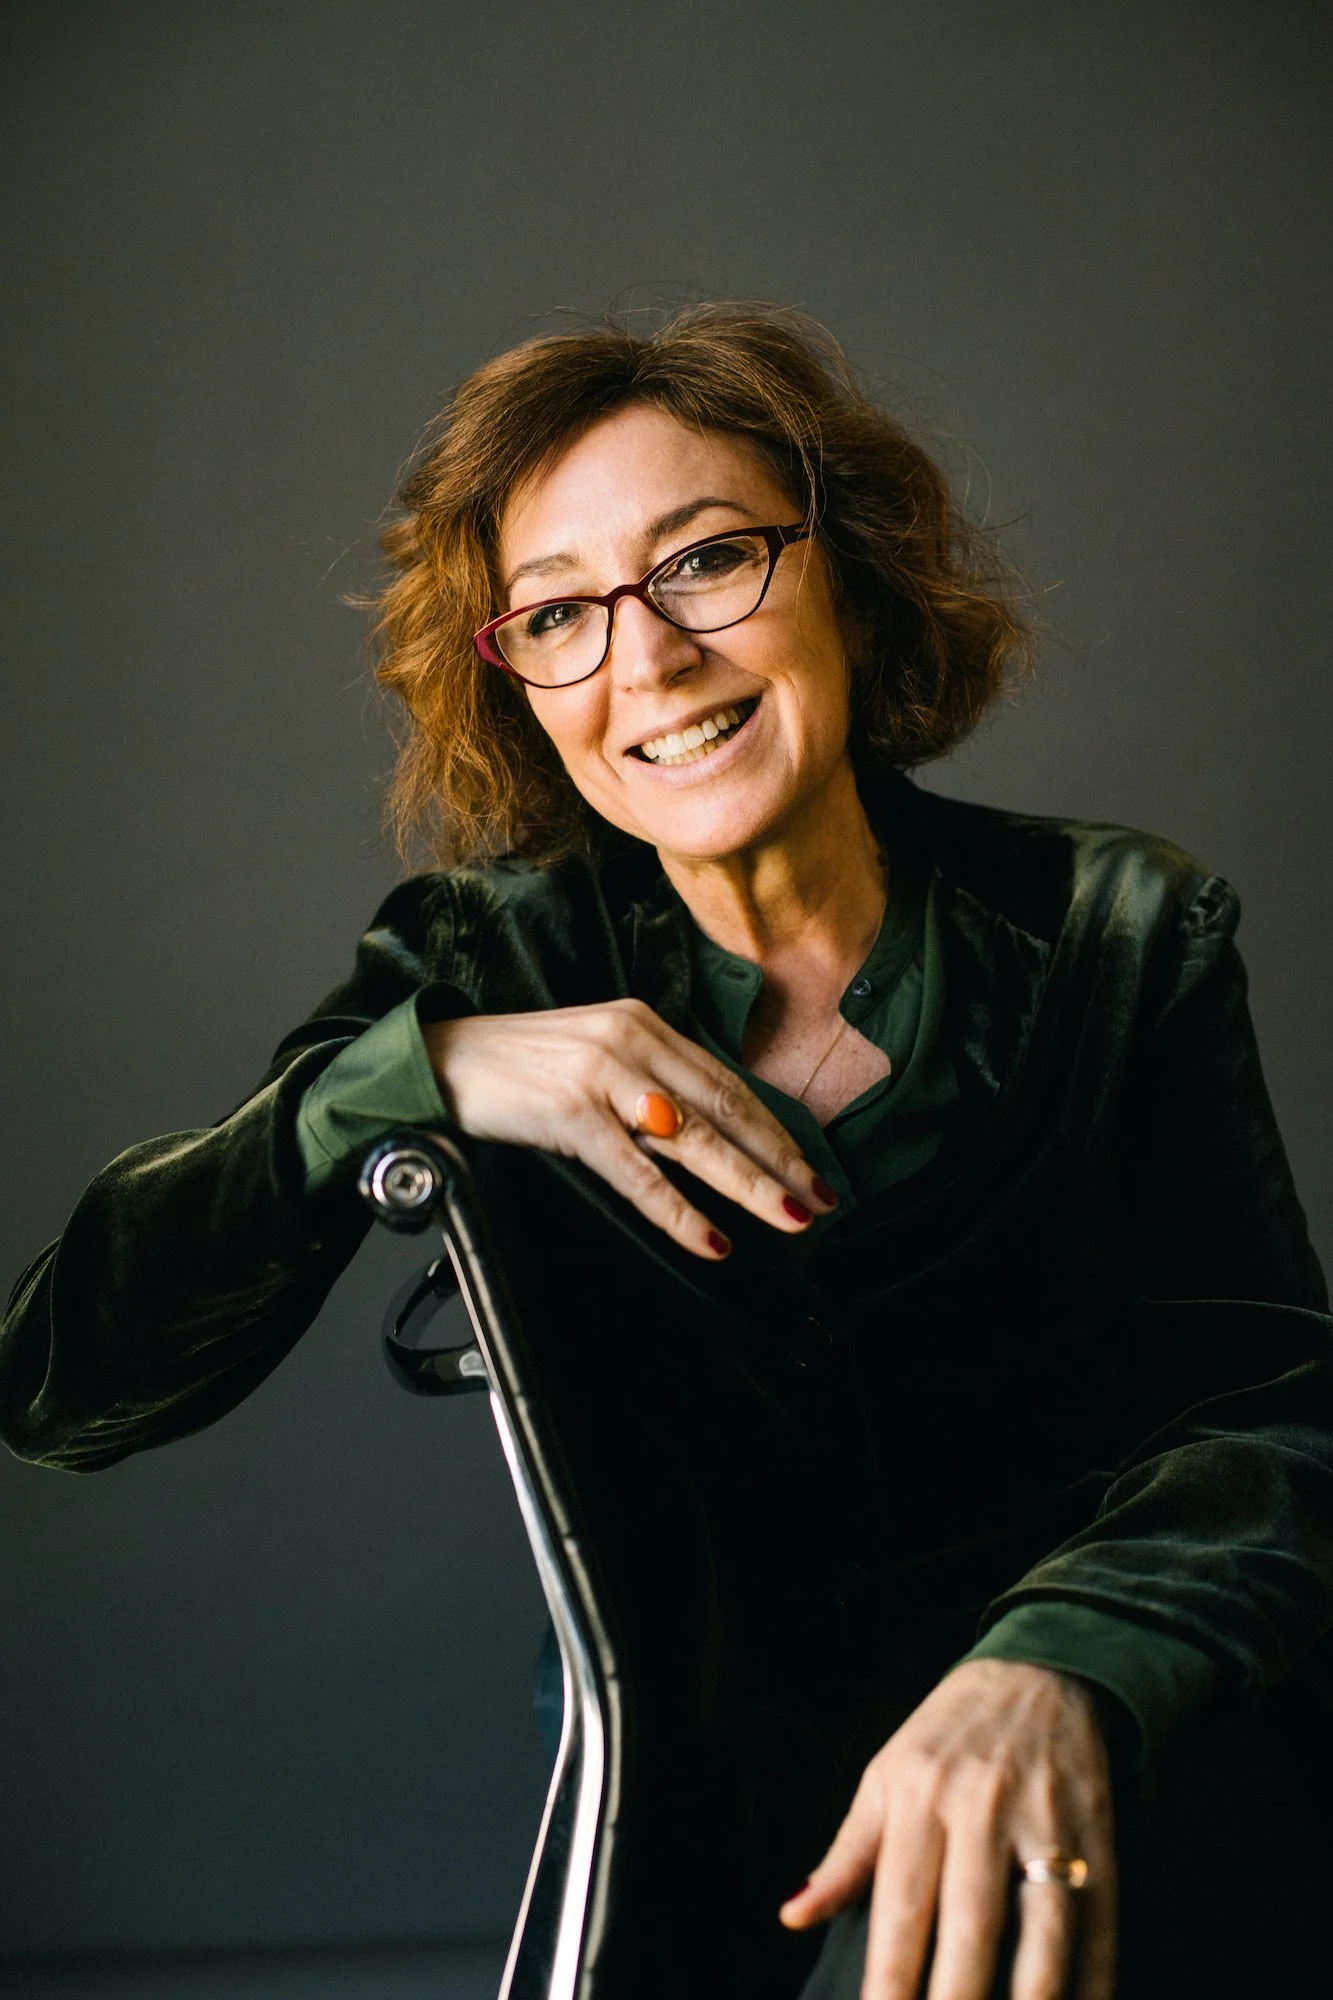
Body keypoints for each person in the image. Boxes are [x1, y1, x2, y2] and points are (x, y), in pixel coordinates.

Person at [3, 303, 1331, 2000]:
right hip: (701, 1840)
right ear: (518, 683)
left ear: (848, 572)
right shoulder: (485, 964)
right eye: (559, 612)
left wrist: (1058, 1665)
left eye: (705, 563)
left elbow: (1272, 1419)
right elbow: (62, 1385)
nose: (646, 661)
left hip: (1130, 1769)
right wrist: (416, 1074)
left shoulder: (1120, 926)